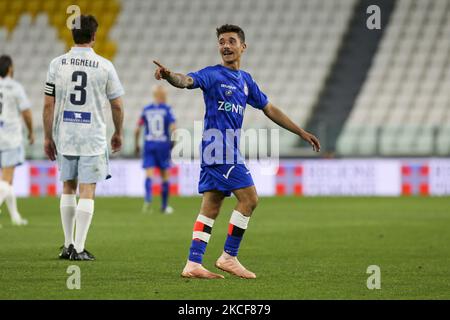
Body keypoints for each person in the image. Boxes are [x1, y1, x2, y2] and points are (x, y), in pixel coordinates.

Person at [153, 24, 321, 279]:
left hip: (223, 149)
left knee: (211, 206)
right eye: (221, 42)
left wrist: (300, 131)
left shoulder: (245, 81)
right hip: (218, 148)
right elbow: (186, 80)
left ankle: (193, 263)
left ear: (243, 47)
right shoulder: (212, 74)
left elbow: (269, 108)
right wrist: (168, 76)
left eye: (231, 41)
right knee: (250, 199)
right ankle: (228, 256)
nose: (225, 46)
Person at [43, 15, 125, 261]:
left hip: (66, 134)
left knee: (68, 186)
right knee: (87, 189)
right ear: (94, 36)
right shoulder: (105, 66)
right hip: (92, 137)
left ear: (72, 35)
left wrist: (48, 137)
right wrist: (118, 132)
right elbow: (118, 105)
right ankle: (78, 249)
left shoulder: (57, 64)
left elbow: (48, 104)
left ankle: (67, 245)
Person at [0, 55, 34, 226]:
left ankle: (15, 217)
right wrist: (31, 132)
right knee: (6, 180)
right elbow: (26, 112)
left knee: (7, 182)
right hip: (9, 139)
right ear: (10, 69)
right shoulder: (14, 87)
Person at [135, 85, 176, 214]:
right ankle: (164, 206)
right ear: (162, 95)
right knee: (165, 175)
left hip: (149, 143)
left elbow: (137, 129)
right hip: (163, 144)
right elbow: (174, 128)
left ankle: (148, 200)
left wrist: (136, 144)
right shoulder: (167, 109)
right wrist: (173, 143)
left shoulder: (146, 109)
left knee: (149, 174)